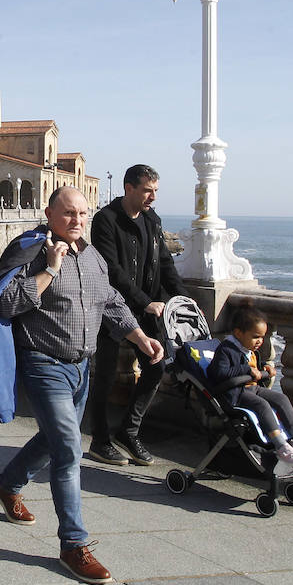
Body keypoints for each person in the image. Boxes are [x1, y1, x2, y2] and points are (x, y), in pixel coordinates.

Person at [0, 186, 164, 585]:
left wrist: (139, 337)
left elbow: (112, 301)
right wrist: (48, 268)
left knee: (53, 441)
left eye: (83, 213)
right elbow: (7, 304)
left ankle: (7, 484)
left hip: (81, 367)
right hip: (43, 362)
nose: (77, 221)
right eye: (69, 213)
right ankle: (73, 544)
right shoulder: (28, 250)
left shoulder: (91, 255)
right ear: (49, 213)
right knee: (68, 450)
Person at [86, 164, 191, 467]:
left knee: (156, 367)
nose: (152, 197)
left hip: (146, 312)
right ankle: (100, 440)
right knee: (104, 375)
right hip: (112, 310)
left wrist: (183, 299)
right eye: (147, 190)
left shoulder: (152, 220)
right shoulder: (106, 220)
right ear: (129, 188)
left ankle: (128, 433)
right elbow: (112, 269)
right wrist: (144, 301)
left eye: (156, 191)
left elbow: (165, 263)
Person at [207, 306, 293, 465]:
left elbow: (252, 363)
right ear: (238, 333)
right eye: (256, 336)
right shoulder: (226, 350)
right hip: (236, 393)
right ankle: (281, 446)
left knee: (281, 399)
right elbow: (218, 372)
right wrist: (247, 370)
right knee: (262, 405)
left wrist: (264, 366)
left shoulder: (247, 348)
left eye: (262, 337)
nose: (260, 341)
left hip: (252, 388)